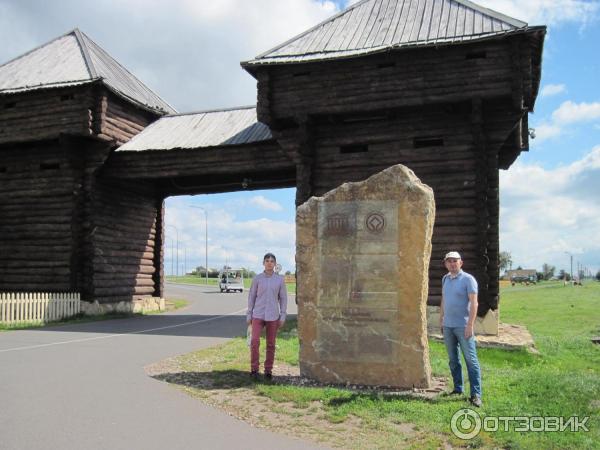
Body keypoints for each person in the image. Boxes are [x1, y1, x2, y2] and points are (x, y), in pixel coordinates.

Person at [439, 251, 483, 407]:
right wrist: (441, 318)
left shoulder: (468, 279)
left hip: (463, 326)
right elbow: (444, 299)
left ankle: (476, 395)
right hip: (448, 325)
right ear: (445, 264)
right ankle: (458, 389)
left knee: (471, 361)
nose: (452, 263)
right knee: (453, 360)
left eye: (455, 261)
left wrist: (470, 325)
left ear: (461, 263)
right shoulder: (445, 279)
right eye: (449, 261)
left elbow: (474, 303)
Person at [247, 252, 288, 380]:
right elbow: (251, 297)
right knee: (254, 341)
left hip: (273, 316)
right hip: (258, 314)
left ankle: (268, 370)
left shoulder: (280, 280)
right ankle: (254, 369)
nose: (269, 263)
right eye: (267, 261)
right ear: (263, 263)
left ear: (275, 264)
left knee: (271, 344)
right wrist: (249, 314)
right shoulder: (257, 279)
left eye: (272, 261)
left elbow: (283, 298)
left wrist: (283, 316)